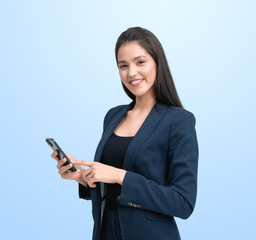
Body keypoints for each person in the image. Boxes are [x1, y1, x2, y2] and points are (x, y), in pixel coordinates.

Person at [50, 27, 199, 240]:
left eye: (140, 62)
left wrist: (120, 176)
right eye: (123, 65)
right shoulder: (113, 116)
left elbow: (183, 202)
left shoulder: (179, 121)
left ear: (158, 63)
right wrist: (82, 178)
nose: (131, 73)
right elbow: (110, 193)